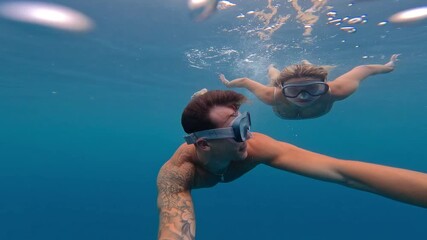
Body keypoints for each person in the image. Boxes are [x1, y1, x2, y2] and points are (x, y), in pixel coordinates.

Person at [157, 90, 427, 240]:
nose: (249, 134)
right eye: (238, 129)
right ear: (204, 145)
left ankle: (201, 97)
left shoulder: (256, 147)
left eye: (246, 122)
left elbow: (343, 172)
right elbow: (174, 225)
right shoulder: (179, 173)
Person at [219, 54, 399, 119]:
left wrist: (389, 66)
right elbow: (244, 81)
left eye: (313, 89)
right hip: (278, 85)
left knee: (286, 79)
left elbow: (364, 69)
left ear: (324, 85)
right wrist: (228, 84)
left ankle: (308, 66)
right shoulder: (272, 95)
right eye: (293, 91)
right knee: (274, 76)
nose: (303, 96)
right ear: (283, 89)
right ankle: (271, 67)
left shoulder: (336, 90)